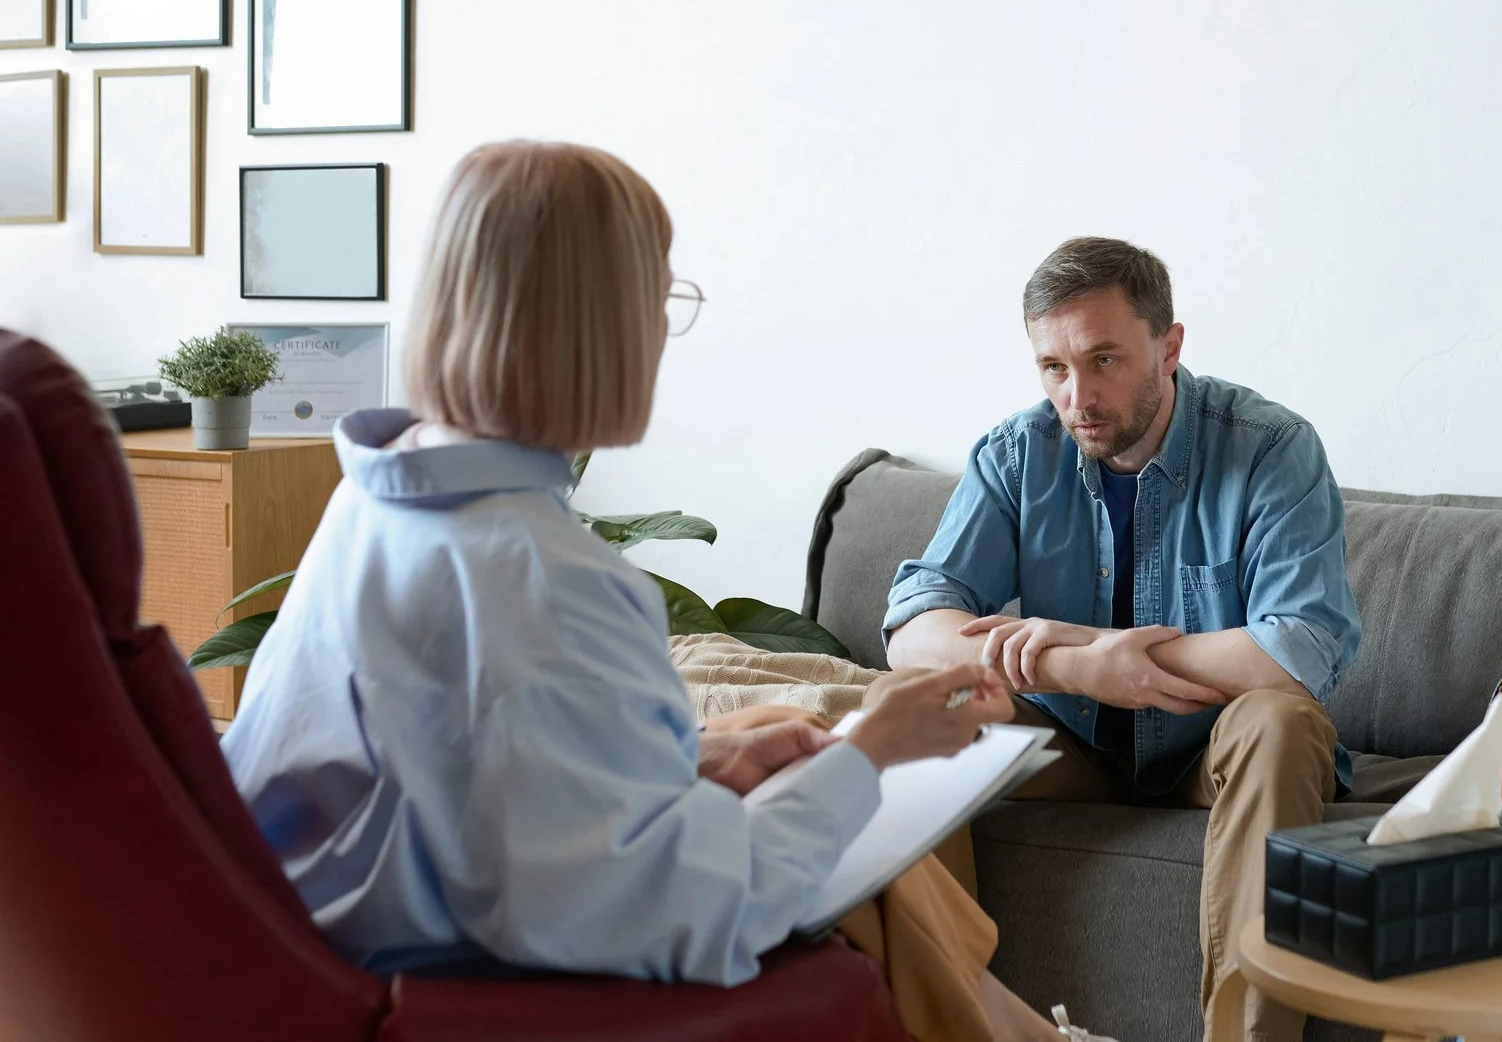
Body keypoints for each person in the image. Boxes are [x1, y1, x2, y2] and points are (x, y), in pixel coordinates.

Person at [220, 140, 1099, 1042]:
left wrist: (695, 764)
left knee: (766, 737)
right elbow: (695, 914)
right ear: (597, 322)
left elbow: (462, 761)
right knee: (848, 815)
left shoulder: (378, 493)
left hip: (323, 929)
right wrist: (868, 753)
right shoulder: (549, 578)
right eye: (659, 298)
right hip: (452, 975)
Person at [886, 237, 1407, 1042]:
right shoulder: (1018, 453)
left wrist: (1117, 654)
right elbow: (914, 630)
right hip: (1073, 748)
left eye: (1103, 360)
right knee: (919, 705)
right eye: (1053, 368)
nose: (1077, 396)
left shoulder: (1271, 448)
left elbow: (1297, 653)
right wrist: (1080, 667)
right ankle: (951, 1023)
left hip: (1215, 751)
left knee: (1282, 720)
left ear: (1170, 347)